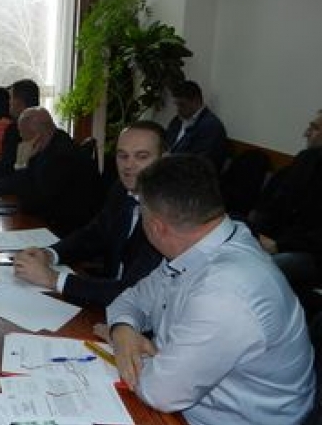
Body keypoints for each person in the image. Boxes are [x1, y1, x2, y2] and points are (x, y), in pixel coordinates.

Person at [106, 155, 314, 425]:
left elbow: (160, 392)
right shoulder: (202, 244)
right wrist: (123, 330)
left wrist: (130, 353)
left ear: (156, 227)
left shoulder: (226, 292)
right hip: (184, 402)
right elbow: (131, 299)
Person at [13, 121, 166, 307]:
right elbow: (94, 234)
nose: (128, 165)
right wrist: (50, 254)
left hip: (135, 313)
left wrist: (53, 279)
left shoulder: (169, 213)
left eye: (141, 156)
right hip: (104, 301)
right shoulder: (121, 189)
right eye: (122, 156)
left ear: (165, 159)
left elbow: (132, 292)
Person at [0, 107, 103, 236]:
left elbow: (31, 203)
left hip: (65, 230)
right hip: (51, 220)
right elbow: (27, 179)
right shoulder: (51, 143)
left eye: (22, 135)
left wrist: (22, 164)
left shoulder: (61, 156)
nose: (21, 140)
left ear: (37, 135)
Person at [248, 109, 322, 304]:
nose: (306, 133)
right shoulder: (305, 159)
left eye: (315, 128)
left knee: (265, 268)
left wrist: (279, 245)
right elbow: (274, 201)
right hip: (280, 238)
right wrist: (257, 232)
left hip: (311, 255)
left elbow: (317, 237)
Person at [164, 80, 229, 171]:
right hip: (171, 168)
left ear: (196, 101)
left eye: (182, 105)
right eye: (177, 105)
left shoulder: (211, 126)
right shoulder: (177, 121)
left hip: (192, 174)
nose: (178, 109)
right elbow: (166, 143)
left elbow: (199, 162)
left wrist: (168, 160)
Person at [0, 79, 40, 182]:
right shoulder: (45, 125)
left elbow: (7, 167)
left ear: (19, 102)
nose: (8, 103)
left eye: (10, 98)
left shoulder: (14, 130)